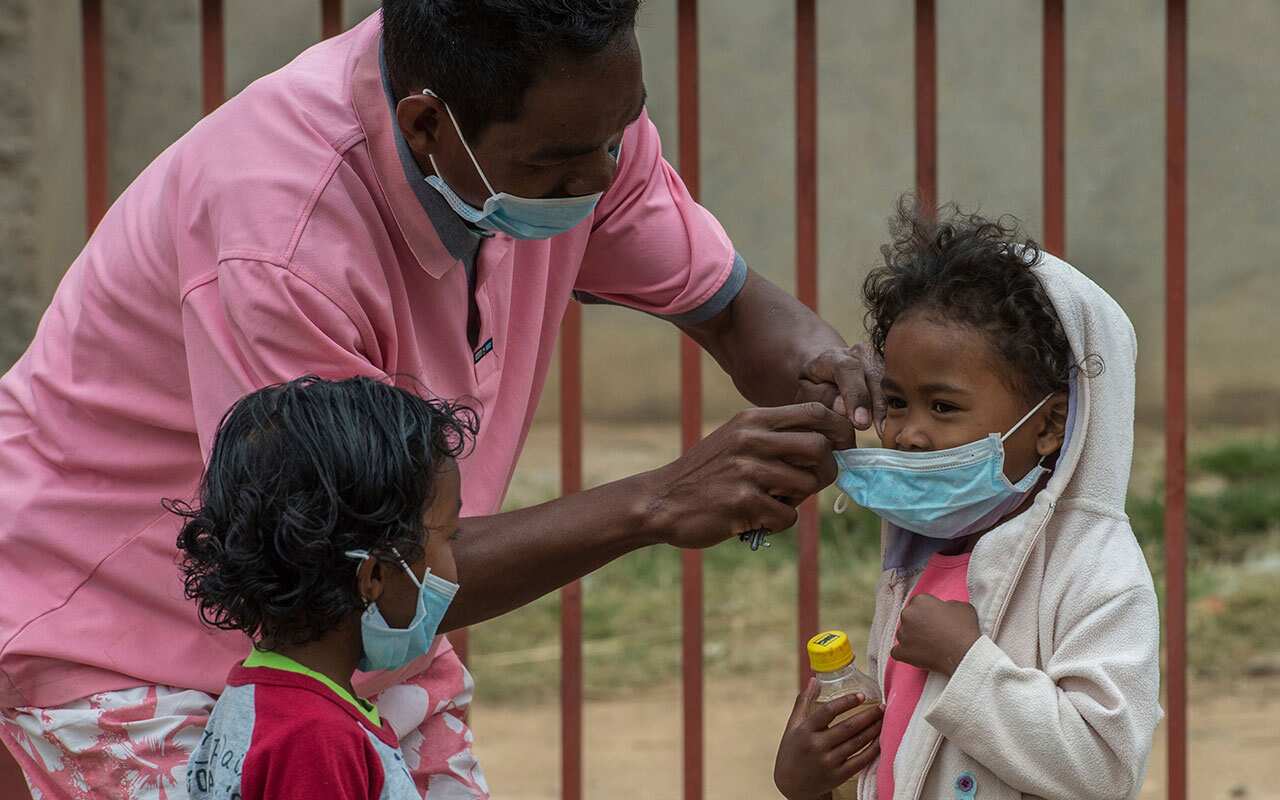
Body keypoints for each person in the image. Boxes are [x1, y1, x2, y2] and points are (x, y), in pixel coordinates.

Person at [0, 2, 882, 797]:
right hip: (129, 642)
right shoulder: (282, 237)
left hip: (365, 651)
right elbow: (345, 573)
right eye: (562, 161)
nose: (603, 175)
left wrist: (836, 378)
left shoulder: (572, 128)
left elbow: (729, 309)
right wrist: (658, 500)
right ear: (428, 126)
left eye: (619, 135)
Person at [774, 201, 1161, 800]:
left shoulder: (1098, 571)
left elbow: (1104, 770)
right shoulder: (919, 556)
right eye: (897, 403)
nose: (909, 434)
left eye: (944, 406)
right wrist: (812, 782)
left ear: (1051, 422)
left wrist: (967, 660)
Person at [174, 376, 475, 799]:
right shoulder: (316, 738)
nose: (454, 563)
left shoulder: (263, 697)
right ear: (373, 576)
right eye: (449, 538)